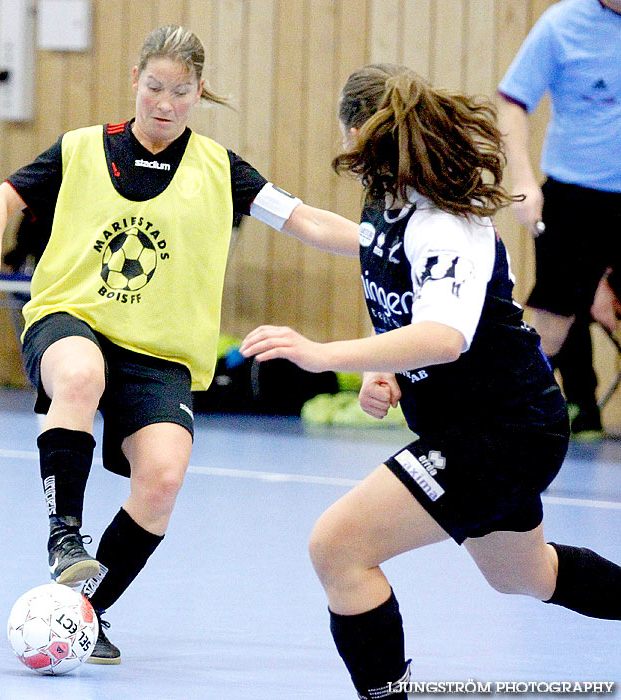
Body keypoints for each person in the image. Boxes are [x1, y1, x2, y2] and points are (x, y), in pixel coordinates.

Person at [0, 25, 358, 666]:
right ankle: (64, 536)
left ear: (198, 93)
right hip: (70, 315)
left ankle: (87, 611)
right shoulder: (82, 149)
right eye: (155, 87)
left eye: (181, 92)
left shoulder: (223, 170)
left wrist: (381, 238)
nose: (165, 103)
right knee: (79, 376)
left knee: (163, 478)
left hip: (160, 351)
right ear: (134, 80)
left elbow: (304, 220)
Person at [240, 64, 621, 699]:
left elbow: (446, 336)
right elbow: (372, 264)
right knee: (525, 575)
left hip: (502, 432)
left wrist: (323, 354)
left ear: (357, 131)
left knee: (338, 546)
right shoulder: (388, 203)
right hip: (489, 426)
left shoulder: (444, 219)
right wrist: (386, 368)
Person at [496, 0, 621, 438]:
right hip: (576, 193)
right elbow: (512, 101)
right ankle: (507, 420)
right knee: (551, 317)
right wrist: (524, 179)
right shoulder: (562, 25)